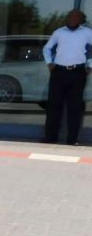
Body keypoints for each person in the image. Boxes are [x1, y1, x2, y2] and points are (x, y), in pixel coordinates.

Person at [42, 9, 92, 145]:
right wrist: (49, 63)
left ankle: (72, 140)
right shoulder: (59, 32)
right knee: (54, 106)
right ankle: (50, 138)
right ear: (67, 18)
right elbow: (47, 48)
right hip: (59, 72)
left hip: (78, 72)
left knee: (75, 107)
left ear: (81, 20)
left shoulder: (87, 32)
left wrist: (90, 65)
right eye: (71, 16)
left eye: (77, 17)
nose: (73, 18)